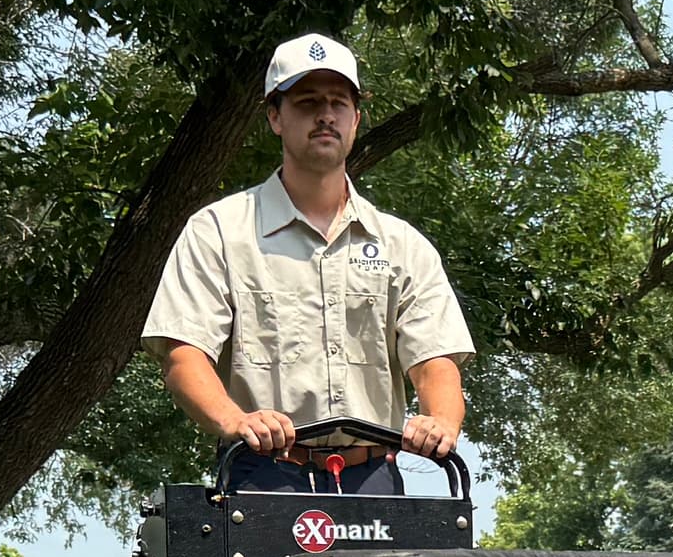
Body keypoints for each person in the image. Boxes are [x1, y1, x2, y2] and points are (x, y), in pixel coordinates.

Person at [142, 32, 469, 496]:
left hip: (374, 480)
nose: (325, 114)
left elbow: (435, 360)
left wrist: (440, 421)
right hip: (263, 475)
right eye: (307, 101)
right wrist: (238, 421)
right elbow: (184, 354)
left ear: (356, 118)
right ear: (275, 116)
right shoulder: (218, 230)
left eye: (339, 101)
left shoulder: (403, 245)